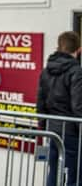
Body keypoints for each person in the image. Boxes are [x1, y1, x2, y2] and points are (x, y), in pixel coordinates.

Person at [37, 31, 82, 186]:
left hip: (52, 130)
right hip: (72, 133)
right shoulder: (76, 71)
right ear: (79, 49)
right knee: (74, 175)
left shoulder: (45, 71)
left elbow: (40, 103)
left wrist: (43, 126)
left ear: (59, 47)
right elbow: (78, 106)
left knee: (54, 172)